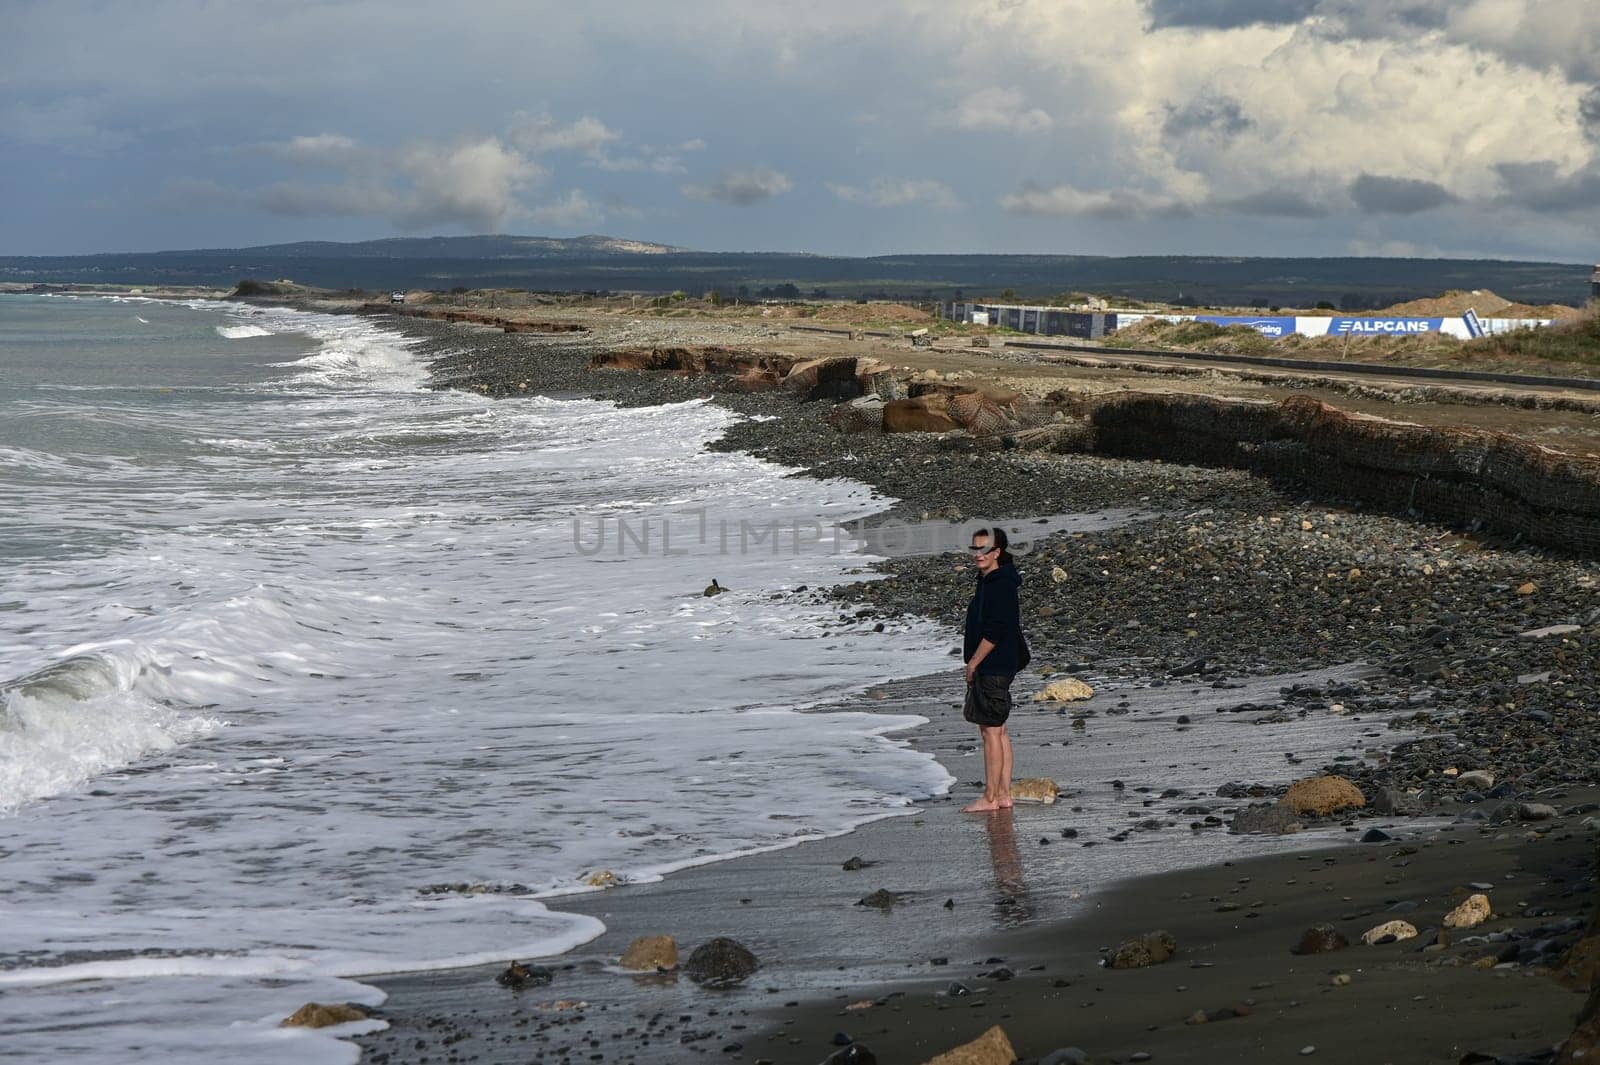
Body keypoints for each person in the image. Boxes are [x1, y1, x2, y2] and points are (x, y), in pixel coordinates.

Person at [961, 526, 1027, 813]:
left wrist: (973, 663)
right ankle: (1003, 795)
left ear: (997, 552)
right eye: (975, 549)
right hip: (1000, 663)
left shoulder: (999, 584)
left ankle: (990, 798)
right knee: (998, 731)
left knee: (991, 731)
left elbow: (995, 630)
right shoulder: (991, 580)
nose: (978, 554)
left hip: (994, 664)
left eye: (984, 549)